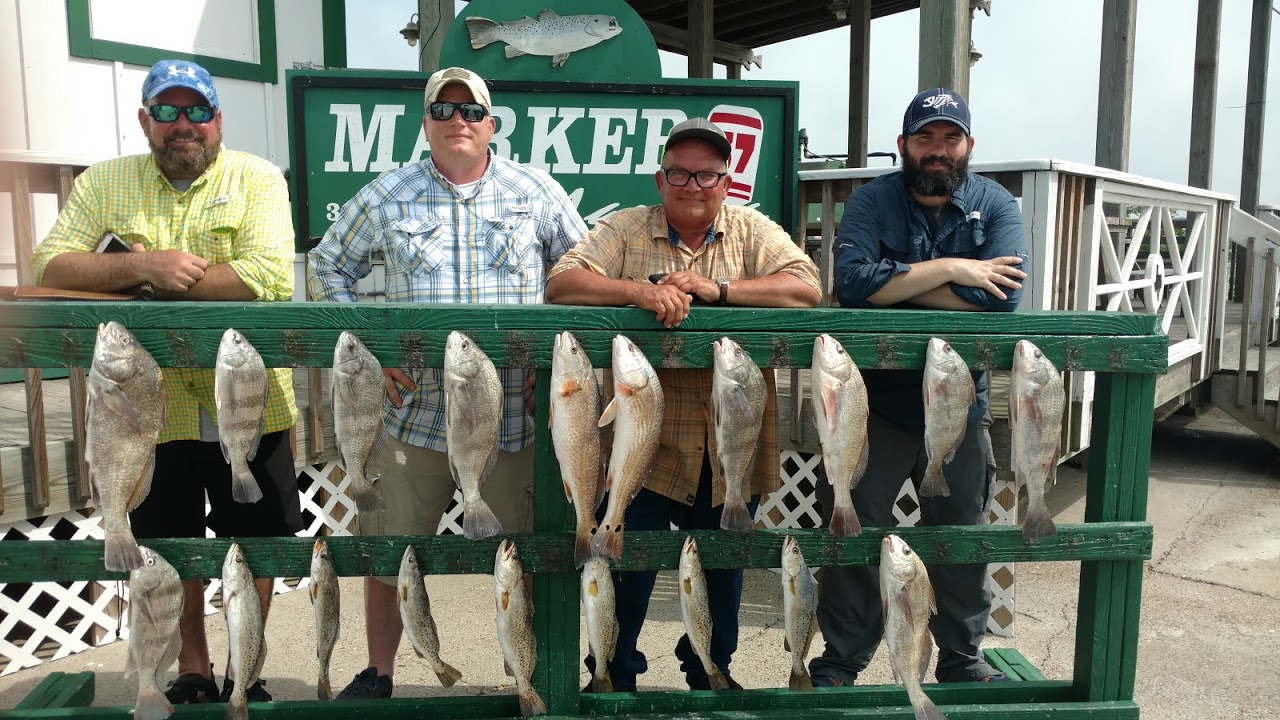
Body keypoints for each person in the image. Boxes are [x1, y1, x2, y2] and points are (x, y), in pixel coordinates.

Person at [306, 66, 587, 700]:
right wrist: (372, 345)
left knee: (528, 557)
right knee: (390, 555)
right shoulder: (388, 193)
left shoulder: (535, 190)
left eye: (471, 110)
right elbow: (326, 265)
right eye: (443, 109)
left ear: (492, 124)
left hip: (514, 421)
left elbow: (583, 271)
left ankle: (530, 675)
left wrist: (559, 367)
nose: (457, 119)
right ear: (426, 122)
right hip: (416, 419)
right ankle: (380, 673)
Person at [32, 60, 299, 704]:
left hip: (251, 404)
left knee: (258, 546)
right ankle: (195, 669)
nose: (185, 124)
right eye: (168, 111)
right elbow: (49, 265)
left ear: (218, 120)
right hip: (145, 412)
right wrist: (148, 266)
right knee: (169, 549)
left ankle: (247, 670)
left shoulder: (258, 177)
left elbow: (268, 275)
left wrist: (140, 284)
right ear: (145, 119)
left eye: (197, 111)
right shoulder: (104, 181)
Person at [545, 117, 822, 691]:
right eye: (679, 173)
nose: (693, 185)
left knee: (723, 571)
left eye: (707, 175)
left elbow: (806, 286)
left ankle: (710, 669)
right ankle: (611, 672)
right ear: (660, 179)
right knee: (627, 565)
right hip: (646, 441)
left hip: (730, 444)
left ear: (727, 182)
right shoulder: (626, 227)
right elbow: (563, 282)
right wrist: (641, 293)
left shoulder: (751, 230)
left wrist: (720, 291)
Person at [809, 87, 1028, 687]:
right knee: (850, 532)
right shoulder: (871, 199)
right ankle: (841, 661)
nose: (938, 149)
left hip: (960, 406)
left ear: (968, 144)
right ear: (904, 144)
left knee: (961, 537)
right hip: (873, 405)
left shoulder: (996, 203)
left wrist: (896, 288)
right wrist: (955, 270)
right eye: (925, 137)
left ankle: (961, 658)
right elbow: (851, 285)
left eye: (950, 138)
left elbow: (1003, 302)